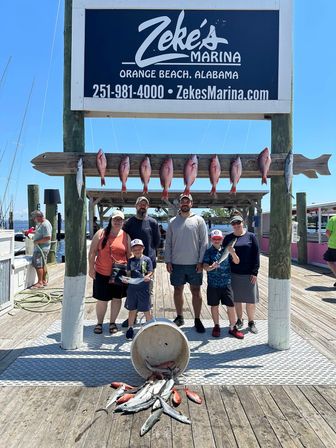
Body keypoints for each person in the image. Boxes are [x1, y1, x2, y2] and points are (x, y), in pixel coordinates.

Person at [165, 193, 208, 333]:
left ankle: (197, 319)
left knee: (196, 291)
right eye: (182, 201)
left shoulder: (199, 220)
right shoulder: (172, 221)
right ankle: (179, 316)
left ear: (191, 204)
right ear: (179, 204)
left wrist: (201, 261)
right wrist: (168, 260)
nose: (185, 203)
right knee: (178, 290)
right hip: (176, 264)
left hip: (195, 264)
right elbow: (168, 244)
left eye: (187, 201)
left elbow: (204, 243)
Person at [88, 210, 131, 334]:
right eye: (115, 219)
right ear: (111, 220)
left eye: (120, 219)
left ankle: (112, 322)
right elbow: (92, 252)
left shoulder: (126, 236)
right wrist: (91, 268)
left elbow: (129, 254)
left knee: (117, 299)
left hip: (120, 273)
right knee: (102, 299)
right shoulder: (100, 233)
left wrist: (131, 272)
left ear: (123, 221)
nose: (118, 221)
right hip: (102, 272)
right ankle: (99, 323)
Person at [121, 196, 160, 327]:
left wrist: (152, 257)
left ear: (148, 207)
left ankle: (148, 317)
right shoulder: (129, 223)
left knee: (148, 290)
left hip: (148, 262)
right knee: (133, 289)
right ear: (136, 206)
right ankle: (134, 316)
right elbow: (123, 240)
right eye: (140, 204)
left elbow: (157, 241)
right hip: (133, 262)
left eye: (145, 204)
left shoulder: (153, 222)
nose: (142, 206)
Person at [223, 211, 260, 334]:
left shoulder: (251, 236)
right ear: (231, 225)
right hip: (233, 273)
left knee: (250, 300)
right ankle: (239, 320)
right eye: (233, 223)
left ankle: (251, 321)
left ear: (242, 222)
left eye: (238, 222)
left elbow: (256, 255)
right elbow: (223, 256)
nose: (236, 225)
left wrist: (255, 272)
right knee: (237, 299)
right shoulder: (228, 238)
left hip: (249, 274)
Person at [203, 229, 244, 339]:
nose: (216, 240)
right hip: (213, 284)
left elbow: (237, 261)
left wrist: (233, 252)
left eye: (219, 239)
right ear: (211, 239)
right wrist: (212, 267)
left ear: (222, 239)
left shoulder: (228, 249)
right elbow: (205, 267)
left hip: (226, 283)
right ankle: (216, 326)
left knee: (231, 306)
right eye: (214, 239)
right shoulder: (208, 252)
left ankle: (232, 327)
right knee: (214, 306)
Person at [123, 239, 153, 340]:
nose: (137, 251)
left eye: (139, 248)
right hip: (132, 289)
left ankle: (150, 328)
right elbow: (128, 273)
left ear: (143, 248)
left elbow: (150, 272)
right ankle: (130, 328)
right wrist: (126, 279)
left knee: (146, 309)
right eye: (135, 249)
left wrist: (148, 276)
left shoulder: (147, 259)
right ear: (131, 250)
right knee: (132, 309)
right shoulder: (130, 261)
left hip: (144, 289)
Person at [30, 210, 52, 289]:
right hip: (42, 248)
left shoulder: (45, 224)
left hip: (41, 249)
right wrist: (32, 232)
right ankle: (43, 280)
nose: (33, 219)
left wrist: (37, 241)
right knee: (43, 264)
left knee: (38, 265)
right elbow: (40, 233)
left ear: (39, 217)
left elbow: (48, 237)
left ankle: (40, 282)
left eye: (34, 218)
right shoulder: (41, 224)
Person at [324, 214, 336, 287]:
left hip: (334, 245)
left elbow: (328, 232)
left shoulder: (333, 219)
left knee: (329, 260)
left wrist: (330, 239)